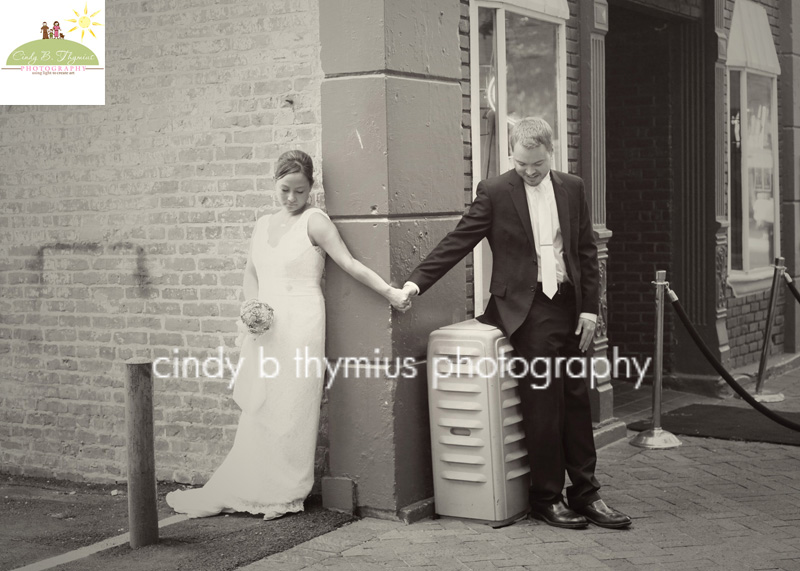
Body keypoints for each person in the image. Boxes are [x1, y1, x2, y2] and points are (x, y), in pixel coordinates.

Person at [402, 117, 631, 530]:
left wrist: (590, 310)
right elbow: (459, 241)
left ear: (551, 152)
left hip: (569, 305)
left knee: (577, 400)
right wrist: (415, 285)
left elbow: (585, 251)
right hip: (526, 310)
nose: (529, 171)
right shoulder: (494, 192)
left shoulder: (573, 187)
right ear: (513, 154)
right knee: (543, 403)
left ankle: (586, 493)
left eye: (537, 164)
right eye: (522, 163)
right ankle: (547, 496)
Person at [167, 150, 410, 519]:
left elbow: (349, 263)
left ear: (311, 187)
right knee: (262, 405)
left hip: (301, 322)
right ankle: (248, 482)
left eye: (300, 191)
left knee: (292, 406)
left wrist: (390, 292)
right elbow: (252, 272)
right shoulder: (262, 224)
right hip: (266, 324)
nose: (292, 198)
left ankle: (284, 490)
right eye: (285, 190)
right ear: (274, 185)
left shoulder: (315, 221)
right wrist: (252, 309)